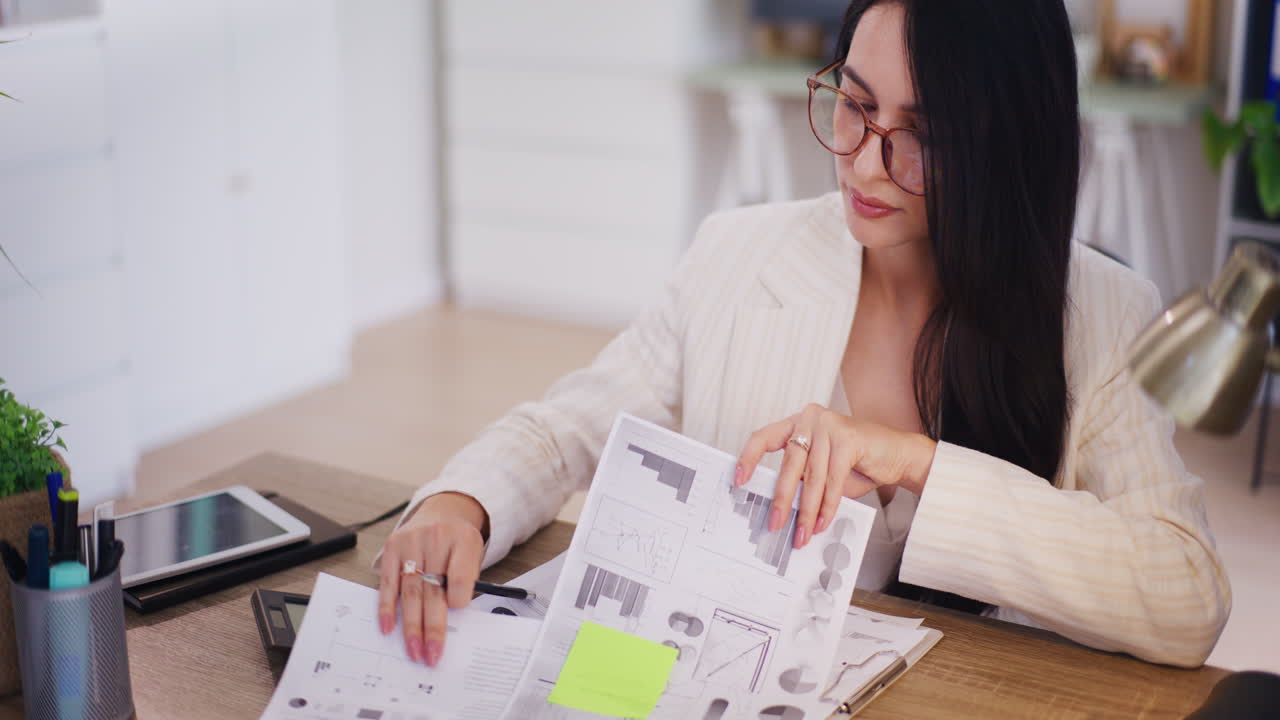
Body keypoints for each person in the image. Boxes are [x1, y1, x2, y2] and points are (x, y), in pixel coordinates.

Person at [376, 0, 1230, 670]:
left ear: (1007, 145)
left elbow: (1185, 595)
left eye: (923, 135)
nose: (862, 162)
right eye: (854, 106)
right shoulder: (739, 255)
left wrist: (917, 465)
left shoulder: (1103, 311)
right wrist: (463, 501)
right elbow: (567, 426)